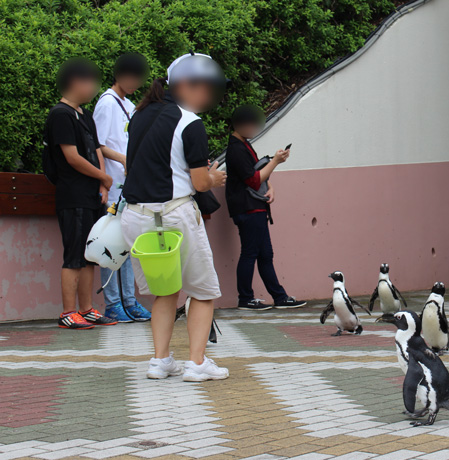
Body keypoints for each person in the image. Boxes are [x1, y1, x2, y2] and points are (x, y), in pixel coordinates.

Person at [120, 53, 228, 382]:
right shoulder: (189, 122)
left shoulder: (139, 116)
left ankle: (160, 361)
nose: (207, 98)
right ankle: (197, 363)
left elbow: (133, 166)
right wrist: (214, 178)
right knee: (204, 291)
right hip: (175, 215)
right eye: (206, 89)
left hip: (136, 217)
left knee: (164, 292)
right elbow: (198, 183)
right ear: (188, 86)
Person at [45, 59, 117, 330]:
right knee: (74, 254)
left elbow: (96, 149)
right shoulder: (60, 114)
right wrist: (102, 176)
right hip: (72, 195)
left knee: (91, 254)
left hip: (91, 194)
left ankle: (87, 309)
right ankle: (68, 312)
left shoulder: (83, 114)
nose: (93, 88)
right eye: (89, 82)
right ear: (75, 83)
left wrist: (102, 183)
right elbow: (72, 157)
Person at [225, 105, 307, 311]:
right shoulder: (236, 149)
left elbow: (258, 174)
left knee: (264, 254)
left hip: (255, 207)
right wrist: (276, 162)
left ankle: (279, 297)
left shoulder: (243, 145)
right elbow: (253, 180)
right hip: (248, 208)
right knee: (250, 253)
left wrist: (269, 185)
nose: (255, 129)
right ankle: (245, 298)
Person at [93, 53, 151, 323]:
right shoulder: (106, 103)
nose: (136, 84)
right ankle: (113, 304)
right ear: (120, 75)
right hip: (114, 186)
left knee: (127, 246)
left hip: (129, 187)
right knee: (111, 245)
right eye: (132, 78)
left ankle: (129, 301)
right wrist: (123, 161)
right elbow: (99, 145)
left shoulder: (127, 104)